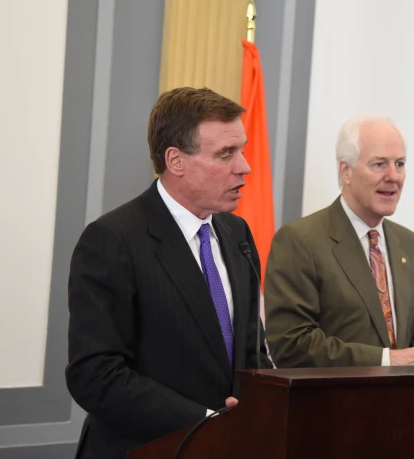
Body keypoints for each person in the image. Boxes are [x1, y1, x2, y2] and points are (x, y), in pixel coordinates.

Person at [66, 87, 273, 458]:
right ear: (176, 161)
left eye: (240, 149)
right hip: (146, 449)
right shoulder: (113, 240)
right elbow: (96, 375)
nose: (245, 166)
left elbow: (252, 351)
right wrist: (205, 421)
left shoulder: (237, 233)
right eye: (226, 154)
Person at [264, 114, 414, 368]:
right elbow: (292, 345)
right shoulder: (300, 241)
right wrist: (385, 360)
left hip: (405, 403)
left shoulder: (412, 245)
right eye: (379, 164)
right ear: (346, 171)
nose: (394, 176)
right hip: (334, 404)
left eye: (400, 164)